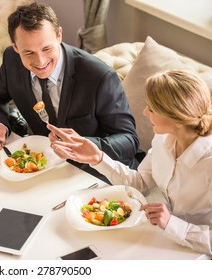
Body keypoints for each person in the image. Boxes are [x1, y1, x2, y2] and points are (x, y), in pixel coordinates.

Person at [48, 69, 212, 255]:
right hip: (165, 238)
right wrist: (99, 158)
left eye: (151, 108)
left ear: (177, 119)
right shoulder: (163, 139)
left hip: (198, 251)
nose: (144, 111)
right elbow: (140, 184)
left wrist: (172, 224)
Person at [0, 2, 140, 178]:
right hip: (43, 167)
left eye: (46, 48)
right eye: (29, 53)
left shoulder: (100, 76)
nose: (40, 62)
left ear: (59, 35)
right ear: (15, 47)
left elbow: (129, 140)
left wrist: (85, 146)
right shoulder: (12, 59)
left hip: (92, 173)